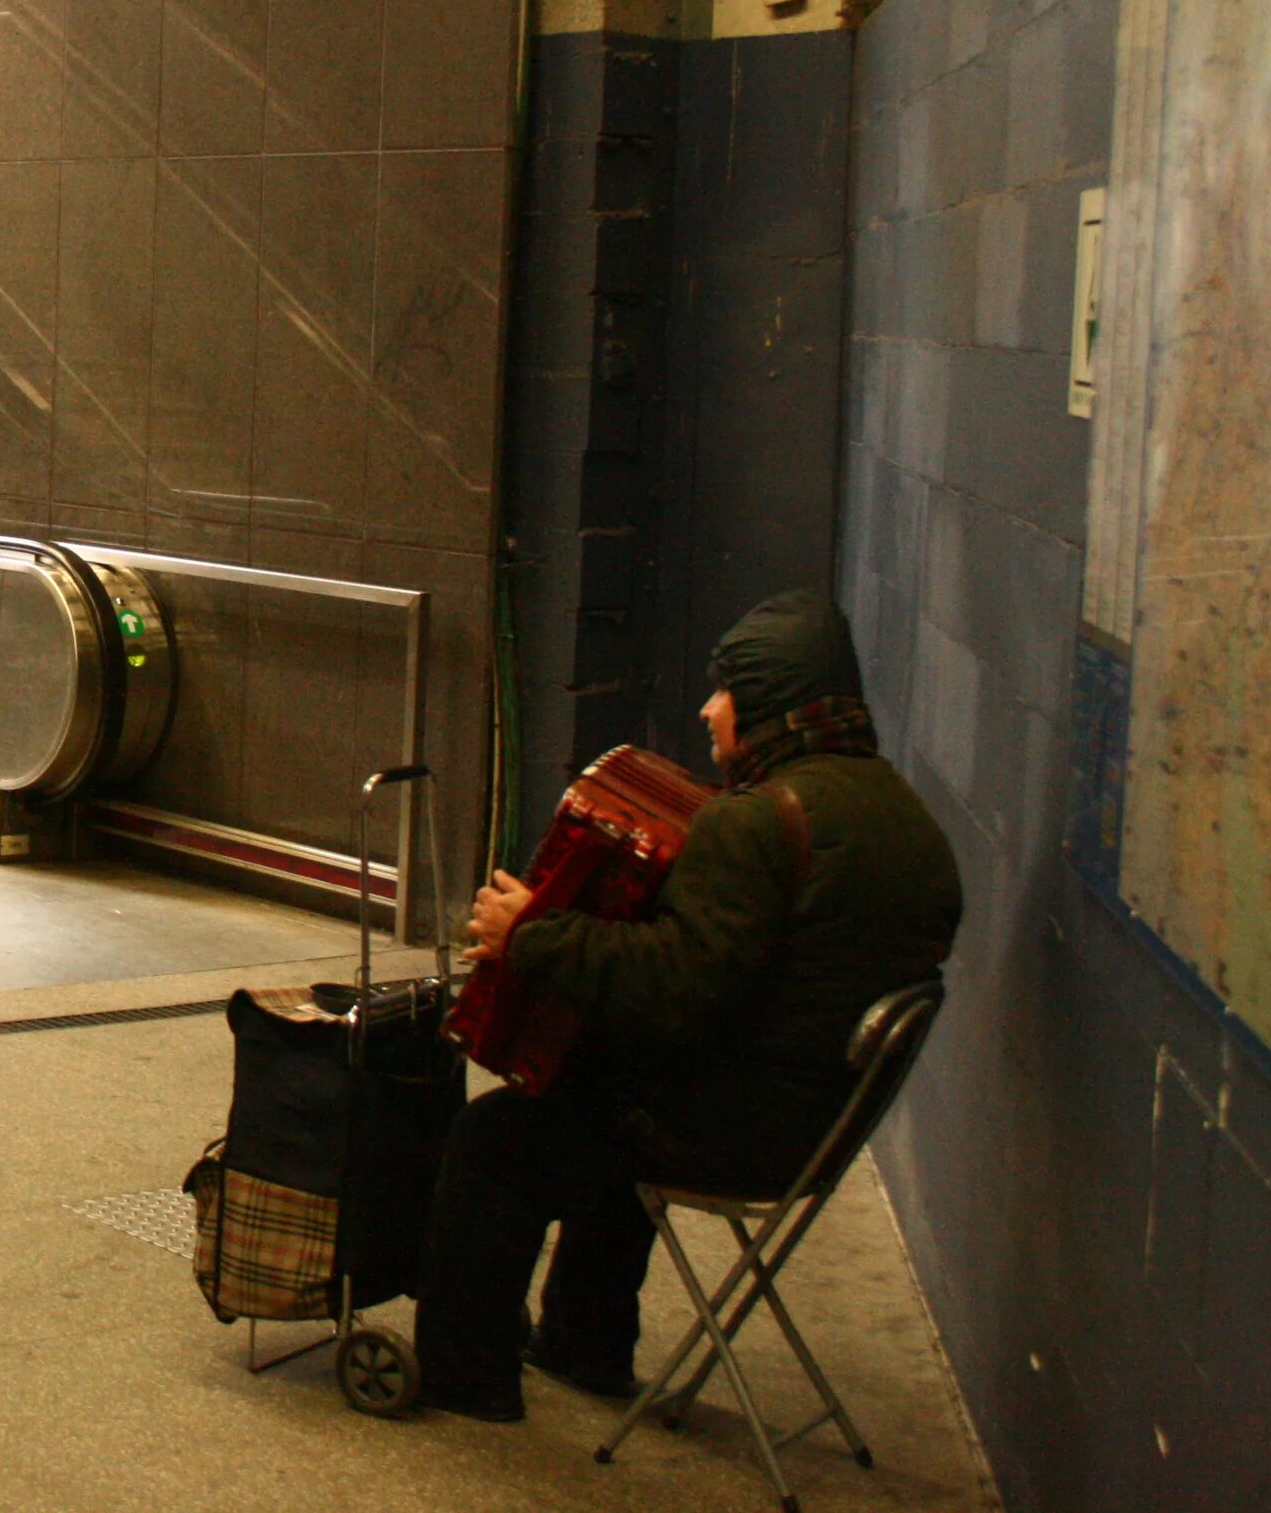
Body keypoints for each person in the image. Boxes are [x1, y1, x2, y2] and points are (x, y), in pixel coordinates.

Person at [411, 590, 963, 1421]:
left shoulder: (756, 824)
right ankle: (583, 1345)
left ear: (771, 704)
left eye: (725, 691)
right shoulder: (906, 818)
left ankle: (465, 1378)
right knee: (598, 1084)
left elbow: (672, 993)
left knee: (498, 1137)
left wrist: (532, 931)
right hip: (812, 1123)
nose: (708, 711)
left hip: (729, 1132)